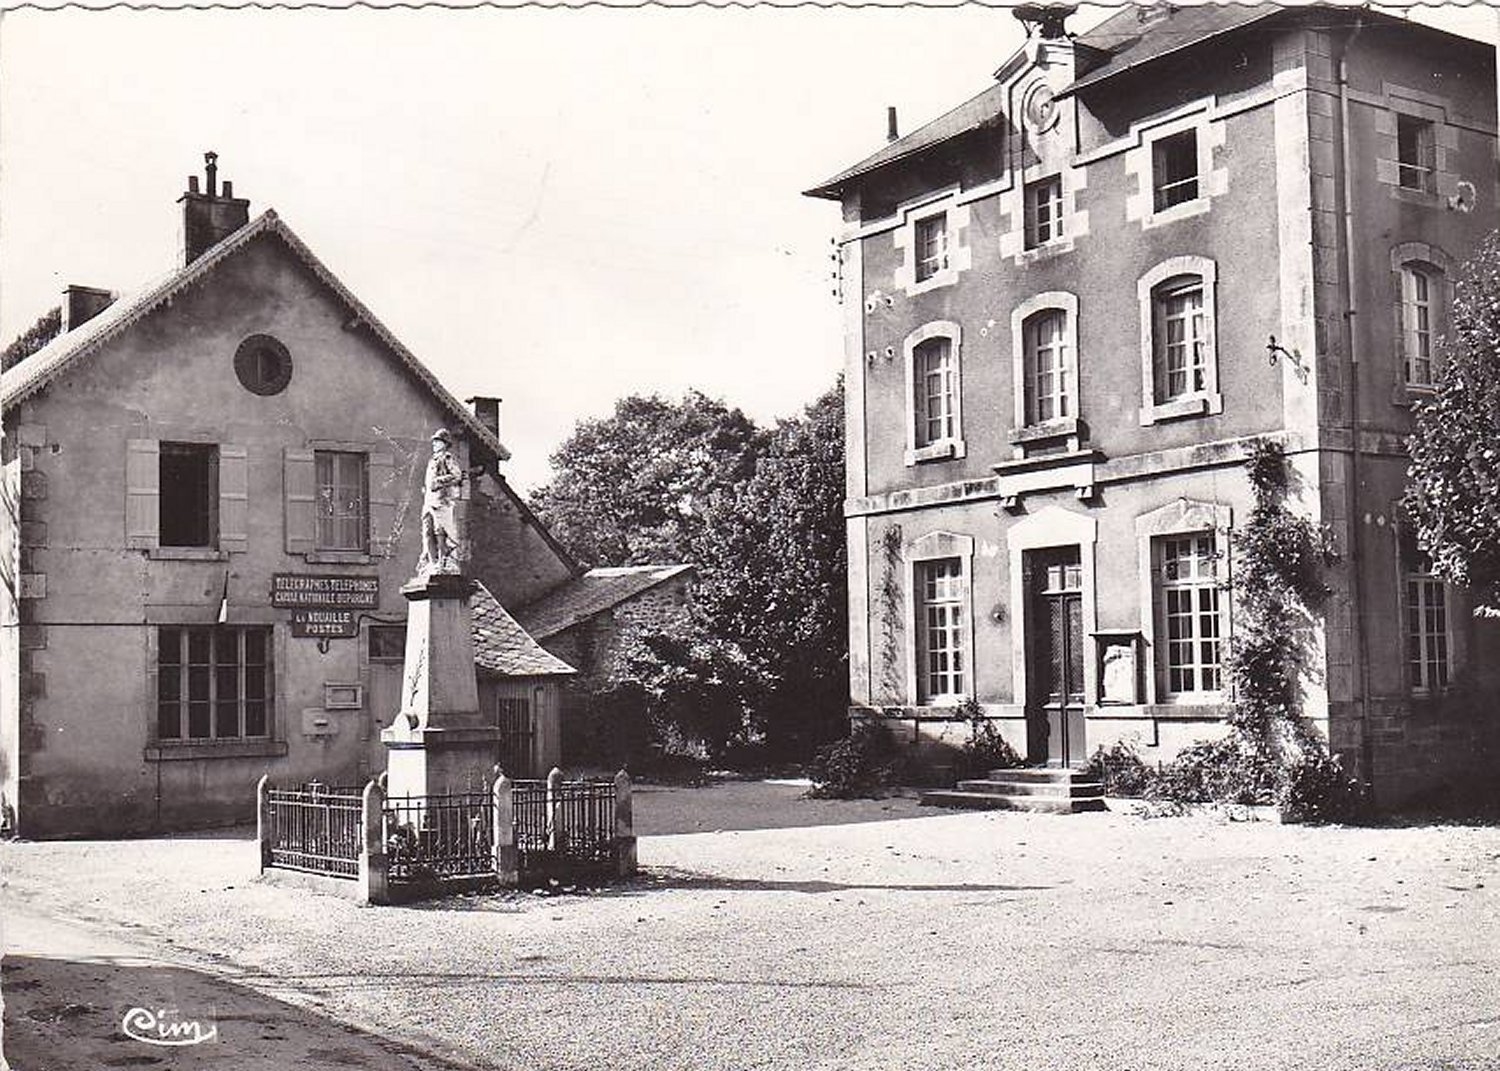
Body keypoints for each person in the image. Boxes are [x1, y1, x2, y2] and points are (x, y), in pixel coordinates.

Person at [419, 428, 466, 575]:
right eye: (434, 441)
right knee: (427, 531)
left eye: (437, 441)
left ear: (445, 444)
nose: (434, 444)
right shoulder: (432, 460)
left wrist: (439, 481)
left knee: (440, 531)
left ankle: (442, 561)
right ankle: (432, 563)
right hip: (429, 501)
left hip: (441, 500)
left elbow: (457, 475)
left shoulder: (447, 458)